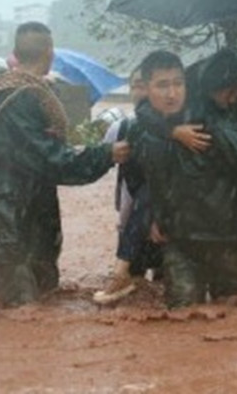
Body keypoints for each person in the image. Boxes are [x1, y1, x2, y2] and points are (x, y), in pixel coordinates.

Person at [0, 21, 129, 308]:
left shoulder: (21, 94)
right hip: (9, 221)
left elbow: (42, 151)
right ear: (50, 53)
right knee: (21, 310)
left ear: (15, 53)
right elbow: (52, 160)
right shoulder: (18, 98)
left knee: (43, 302)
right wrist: (105, 154)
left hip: (27, 218)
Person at [129, 50, 237, 309]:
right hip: (179, 241)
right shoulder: (145, 132)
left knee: (236, 313)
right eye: (162, 86)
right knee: (182, 314)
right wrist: (154, 217)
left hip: (225, 240)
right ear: (146, 89)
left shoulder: (213, 127)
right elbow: (149, 182)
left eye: (178, 84)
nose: (172, 94)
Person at [93, 66, 162, 304]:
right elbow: (99, 164)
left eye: (145, 85)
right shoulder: (121, 128)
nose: (140, 92)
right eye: (135, 86)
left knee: (168, 292)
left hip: (168, 226)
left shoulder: (175, 131)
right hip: (130, 224)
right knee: (134, 298)